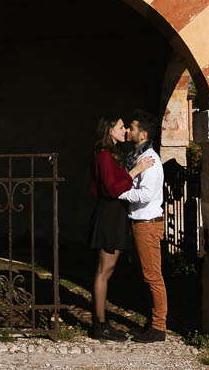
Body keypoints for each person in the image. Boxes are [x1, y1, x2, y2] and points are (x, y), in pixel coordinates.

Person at [89, 115, 154, 341]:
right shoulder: (105, 155)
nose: (125, 129)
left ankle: (100, 322)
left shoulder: (113, 154)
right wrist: (135, 171)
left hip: (115, 214)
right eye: (120, 126)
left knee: (107, 270)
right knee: (103, 270)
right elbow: (112, 188)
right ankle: (99, 324)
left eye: (126, 126)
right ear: (109, 131)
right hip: (109, 214)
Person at [119, 110, 167, 343]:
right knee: (148, 275)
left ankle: (159, 327)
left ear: (143, 134)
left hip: (147, 224)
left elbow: (146, 194)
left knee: (153, 276)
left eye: (132, 127)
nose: (128, 130)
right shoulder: (139, 156)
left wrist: (121, 191)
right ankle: (154, 322)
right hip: (141, 223)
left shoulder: (150, 160)